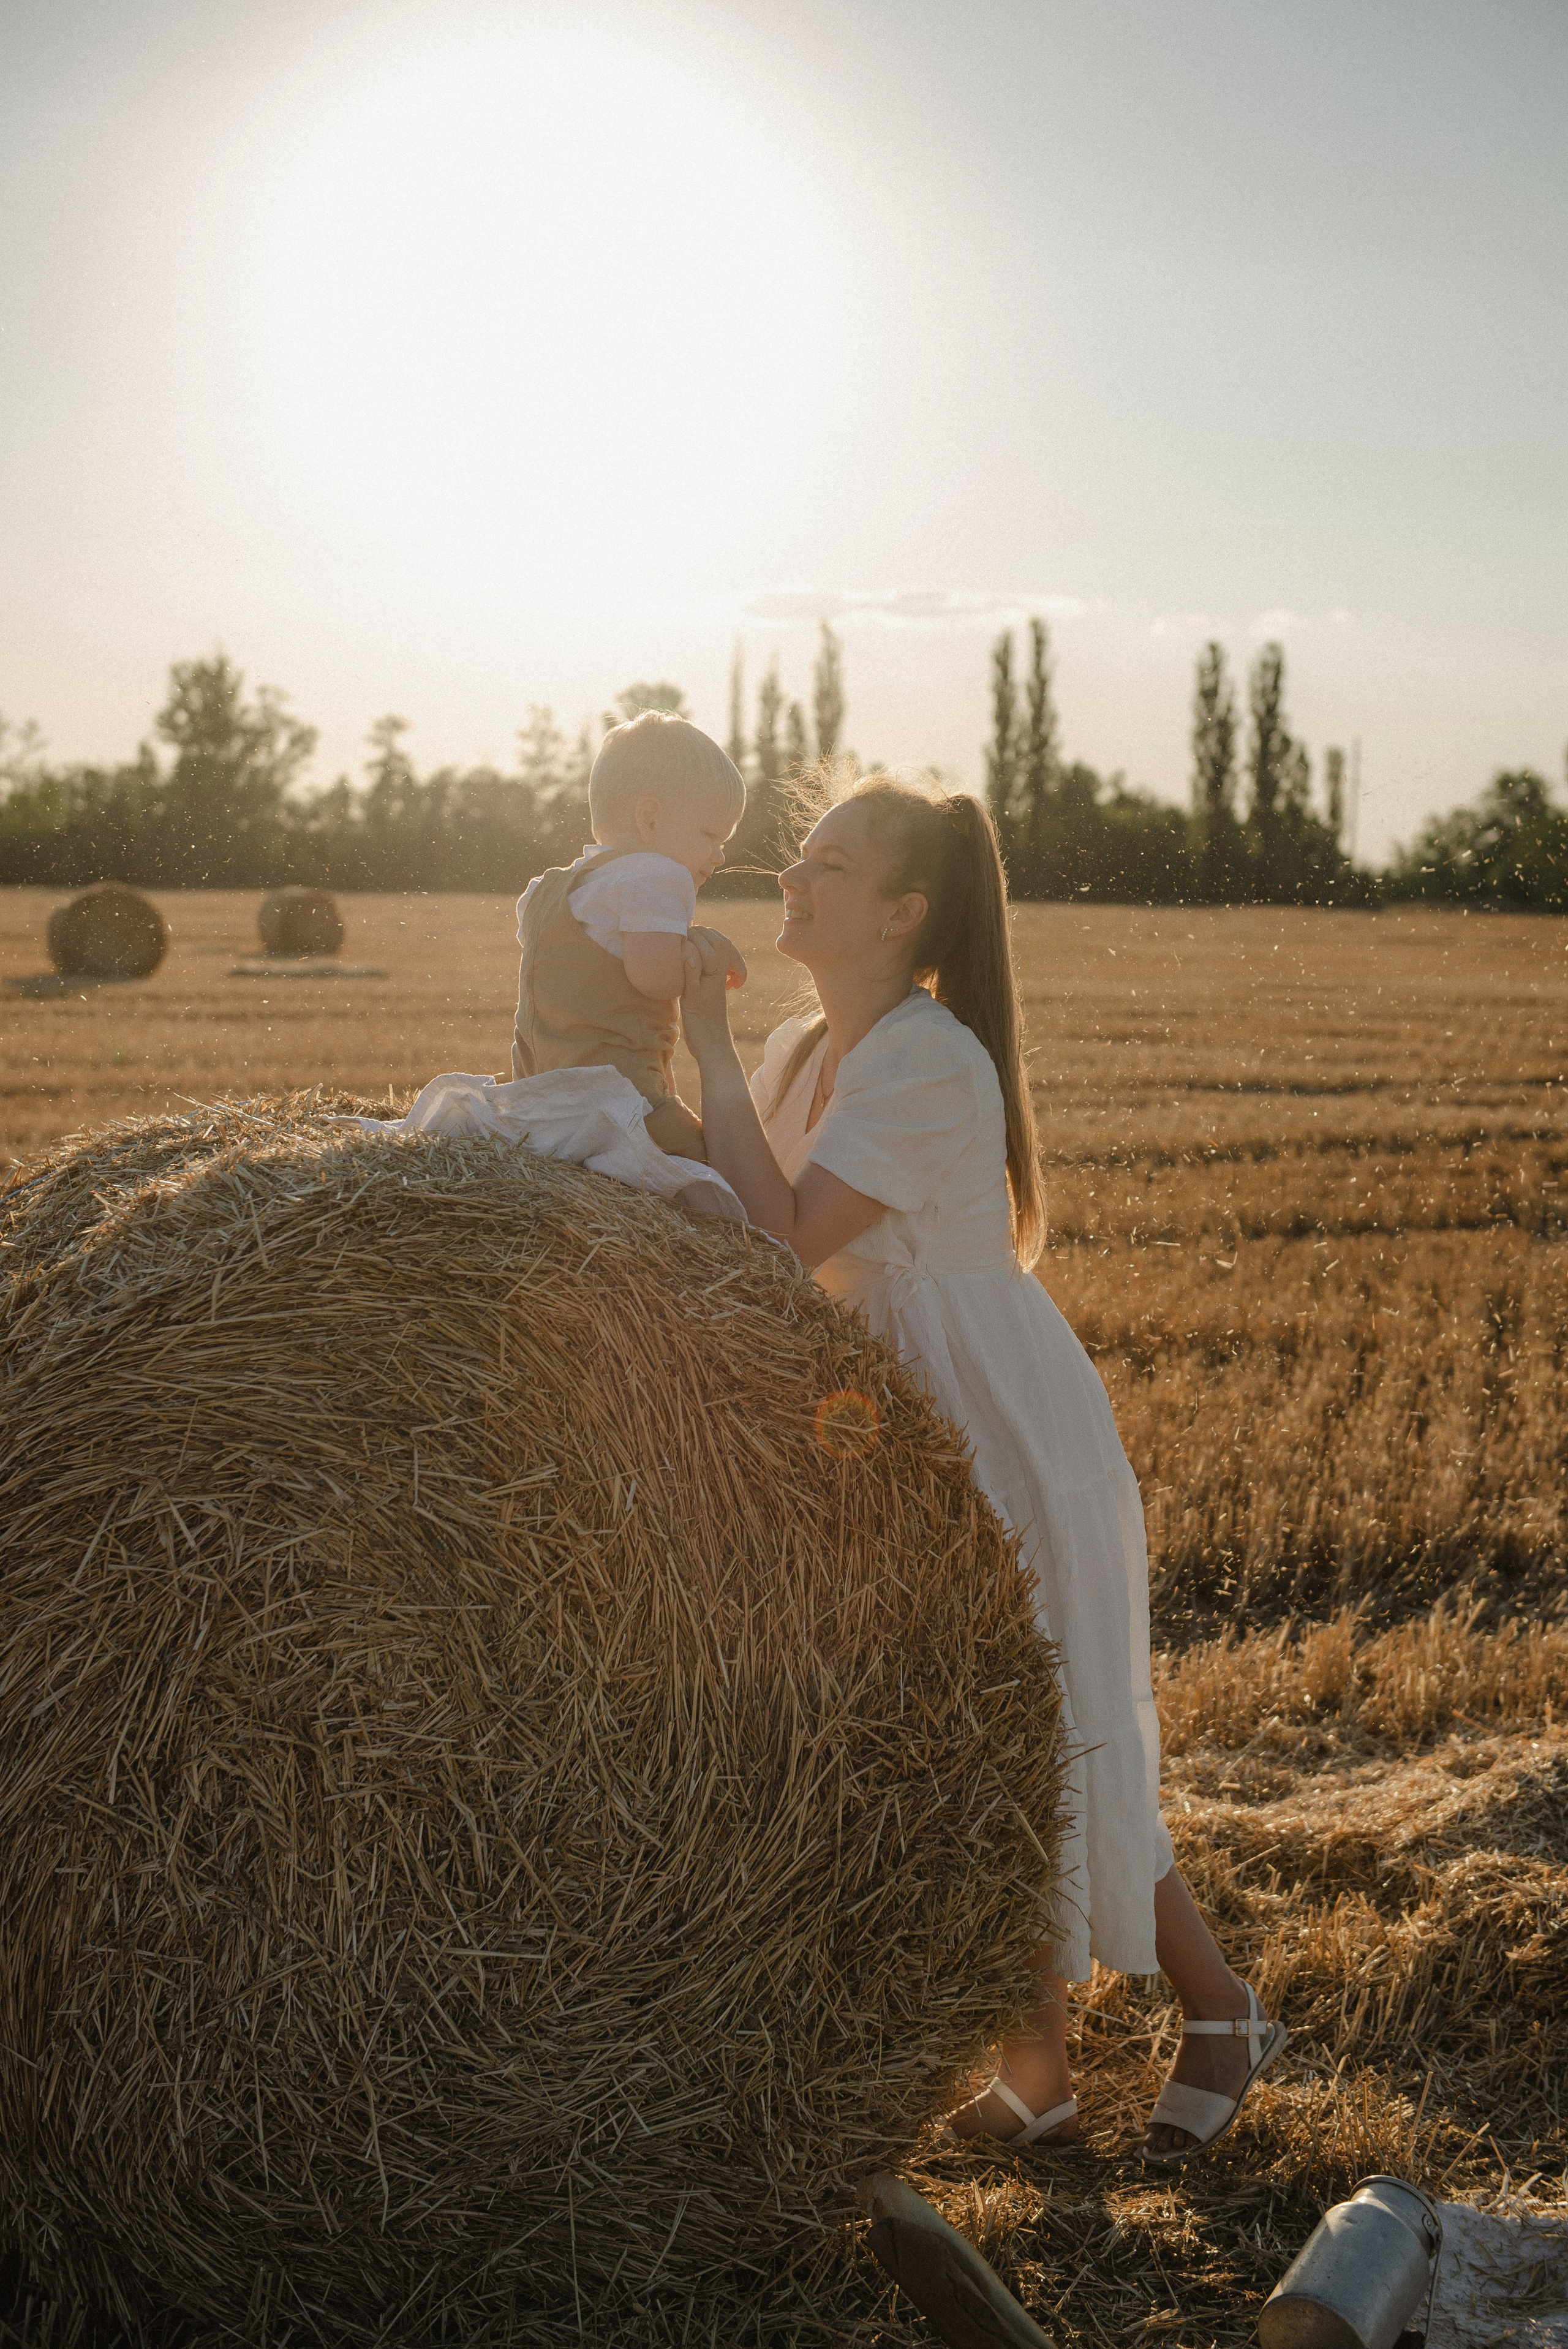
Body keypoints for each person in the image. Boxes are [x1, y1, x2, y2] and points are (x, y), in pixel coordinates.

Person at [676, 776, 1286, 2162]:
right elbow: (717, 1185)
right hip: (887, 1425)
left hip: (989, 1423)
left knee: (1045, 1730)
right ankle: (1039, 2073)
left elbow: (780, 1231)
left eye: (824, 864)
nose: (791, 876)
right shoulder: (798, 1050)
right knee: (976, 1743)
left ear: (901, 912)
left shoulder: (926, 1058)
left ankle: (1217, 2004)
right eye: (798, 856)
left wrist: (697, 1043)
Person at [513, 711, 746, 1161]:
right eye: (712, 835)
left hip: (536, 1100)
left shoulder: (549, 889)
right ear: (650, 819)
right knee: (714, 1173)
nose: (719, 856)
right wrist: (707, 955)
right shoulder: (658, 874)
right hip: (618, 1103)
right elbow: (654, 976)